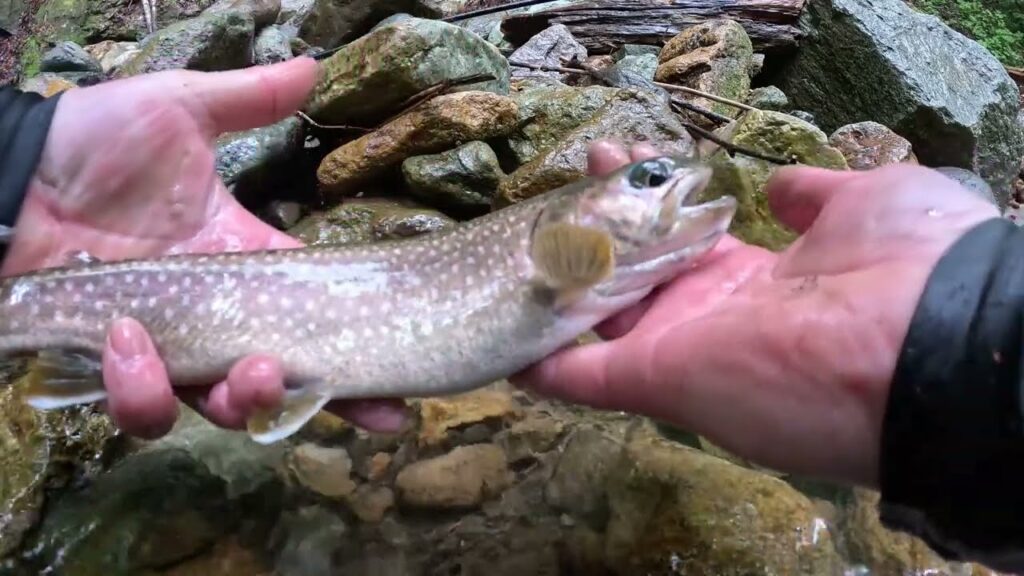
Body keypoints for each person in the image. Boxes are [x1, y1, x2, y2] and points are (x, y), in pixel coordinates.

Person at [3, 57, 1024, 571]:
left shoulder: (586, 257)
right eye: (657, 178)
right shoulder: (579, 255)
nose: (682, 186)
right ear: (583, 226)